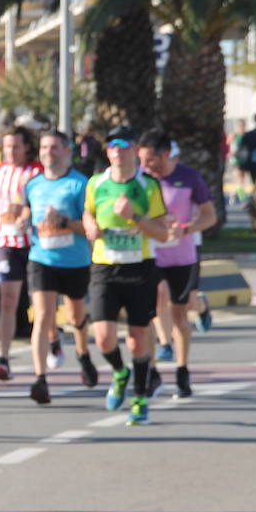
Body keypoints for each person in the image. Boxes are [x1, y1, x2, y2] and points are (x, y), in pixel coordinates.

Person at [81, 125, 173, 425]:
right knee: (104, 337)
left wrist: (135, 216)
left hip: (140, 267)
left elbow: (161, 233)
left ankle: (140, 397)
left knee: (137, 340)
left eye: (122, 145)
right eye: (111, 146)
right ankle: (120, 372)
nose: (116, 151)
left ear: (134, 150)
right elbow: (88, 212)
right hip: (105, 267)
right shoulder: (96, 183)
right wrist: (89, 225)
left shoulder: (148, 187)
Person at [140, 131, 217, 398]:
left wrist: (186, 229)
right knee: (152, 307)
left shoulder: (189, 177)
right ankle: (151, 372)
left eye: (150, 160)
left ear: (164, 155)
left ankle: (182, 371)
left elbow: (210, 216)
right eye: (142, 160)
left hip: (182, 255)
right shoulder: (140, 179)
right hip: (150, 255)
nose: (146, 165)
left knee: (181, 314)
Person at [25, 131, 97, 405]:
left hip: (75, 260)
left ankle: (83, 355)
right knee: (43, 316)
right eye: (44, 147)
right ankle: (40, 379)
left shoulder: (80, 185)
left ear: (68, 151)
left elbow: (90, 228)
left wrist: (65, 221)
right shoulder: (33, 185)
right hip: (42, 259)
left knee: (76, 316)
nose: (48, 152)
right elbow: (26, 213)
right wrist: (20, 221)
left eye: (54, 147)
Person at [0, 126, 42, 381]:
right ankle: (3, 359)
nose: (10, 151)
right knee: (7, 300)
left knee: (40, 302)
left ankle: (51, 338)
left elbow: (35, 202)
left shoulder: (36, 171)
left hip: (35, 242)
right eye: (6, 146)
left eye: (16, 146)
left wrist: (26, 217)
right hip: (6, 241)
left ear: (27, 146)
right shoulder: (1, 170)